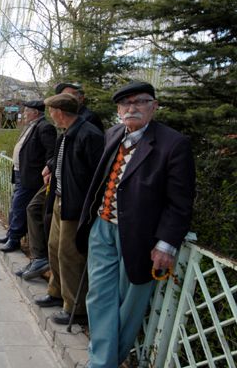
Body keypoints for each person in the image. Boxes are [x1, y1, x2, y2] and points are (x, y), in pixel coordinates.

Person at [77, 82, 195, 367]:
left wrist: (166, 244)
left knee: (130, 305)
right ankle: (101, 362)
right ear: (118, 110)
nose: (132, 107)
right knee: (99, 297)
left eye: (140, 102)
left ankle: (108, 358)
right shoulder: (113, 134)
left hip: (141, 236)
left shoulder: (173, 144)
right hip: (103, 227)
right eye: (125, 103)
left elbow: (180, 201)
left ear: (153, 106)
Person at [34, 93, 104, 326]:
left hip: (76, 204)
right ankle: (56, 292)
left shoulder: (88, 135)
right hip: (59, 198)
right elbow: (64, 161)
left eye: (51, 111)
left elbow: (96, 175)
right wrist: (51, 167)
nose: (50, 115)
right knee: (54, 247)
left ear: (60, 113)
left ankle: (76, 306)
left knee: (70, 254)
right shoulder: (66, 133)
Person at [0, 100, 57, 256]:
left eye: (27, 111)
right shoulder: (31, 126)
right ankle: (11, 234)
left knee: (19, 206)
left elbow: (51, 152)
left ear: (35, 113)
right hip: (20, 172)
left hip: (31, 175)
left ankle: (14, 239)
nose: (24, 114)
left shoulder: (45, 127)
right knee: (15, 204)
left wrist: (47, 169)